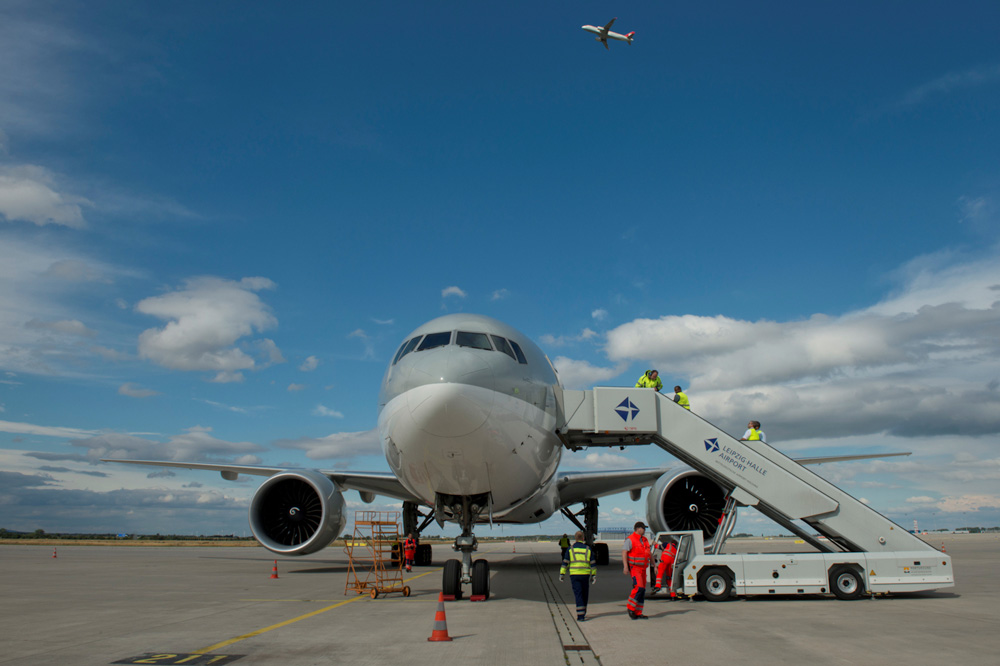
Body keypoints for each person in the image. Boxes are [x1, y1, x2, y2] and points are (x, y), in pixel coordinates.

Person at [559, 530, 596, 621]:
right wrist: (593, 575)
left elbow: (565, 562)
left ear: (575, 538)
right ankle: (583, 611)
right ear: (583, 538)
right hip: (585, 574)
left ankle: (580, 615)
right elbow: (593, 563)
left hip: (574, 575)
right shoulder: (588, 549)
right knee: (584, 593)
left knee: (578, 594)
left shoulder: (570, 549)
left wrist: (562, 573)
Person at [622, 521, 652, 619]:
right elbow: (624, 552)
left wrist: (654, 565)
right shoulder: (630, 539)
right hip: (635, 568)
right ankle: (630, 607)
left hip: (643, 568)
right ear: (638, 528)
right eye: (643, 528)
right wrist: (625, 566)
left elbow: (649, 553)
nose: (644, 530)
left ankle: (638, 612)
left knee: (642, 590)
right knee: (638, 587)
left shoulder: (645, 540)